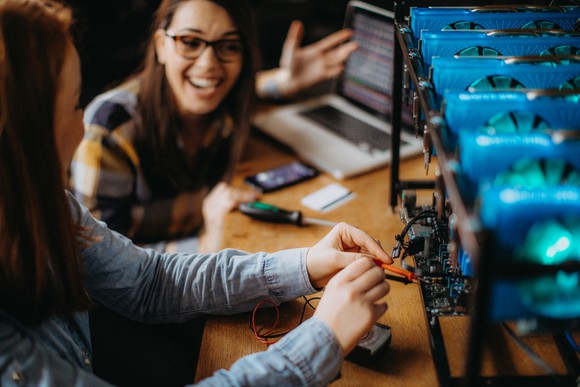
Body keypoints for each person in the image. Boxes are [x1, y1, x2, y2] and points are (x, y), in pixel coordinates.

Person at [0, 1, 391, 386]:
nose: (81, 126)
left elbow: (149, 280)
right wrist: (323, 338)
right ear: (22, 132)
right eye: (72, 106)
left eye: (228, 46)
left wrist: (304, 264)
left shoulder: (47, 204)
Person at [70, 0, 358, 253]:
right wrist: (206, 242)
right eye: (191, 42)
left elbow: (252, 90)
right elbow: (105, 267)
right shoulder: (108, 131)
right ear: (161, 46)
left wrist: (284, 82)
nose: (208, 64)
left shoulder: (225, 102)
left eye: (229, 46)